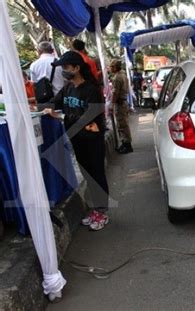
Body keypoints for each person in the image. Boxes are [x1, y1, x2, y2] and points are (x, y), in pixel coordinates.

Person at [46, 51, 109, 231]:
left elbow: (88, 117)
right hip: (77, 140)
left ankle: (102, 212)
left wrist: (63, 115)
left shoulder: (91, 90)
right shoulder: (67, 88)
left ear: (77, 68)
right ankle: (96, 209)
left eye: (65, 67)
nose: (63, 71)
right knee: (88, 175)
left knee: (96, 174)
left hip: (92, 139)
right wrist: (36, 106)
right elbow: (53, 103)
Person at [109, 59, 133, 154]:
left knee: (122, 125)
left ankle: (127, 144)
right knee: (123, 124)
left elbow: (115, 93)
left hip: (120, 103)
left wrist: (112, 104)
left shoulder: (117, 78)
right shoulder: (123, 75)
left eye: (111, 67)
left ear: (115, 67)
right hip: (123, 102)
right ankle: (125, 143)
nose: (110, 69)